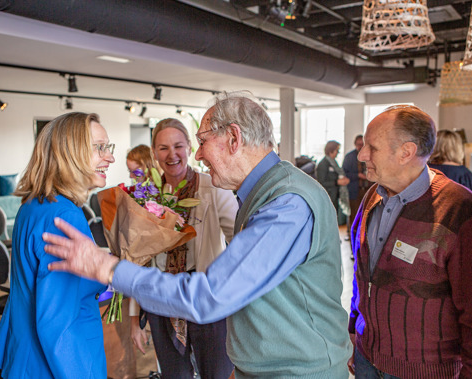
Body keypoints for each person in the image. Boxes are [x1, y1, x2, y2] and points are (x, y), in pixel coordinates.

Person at [43, 92, 352, 378]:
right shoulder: (262, 192)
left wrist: (108, 268)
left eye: (202, 141)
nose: (199, 154)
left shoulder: (286, 204)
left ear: (233, 137)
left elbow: (212, 294)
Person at [0, 112, 116, 378]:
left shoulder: (33, 206)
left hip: (25, 358)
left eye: (108, 147)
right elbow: (58, 324)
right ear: (70, 153)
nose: (110, 157)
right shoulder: (65, 216)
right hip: (54, 366)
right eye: (99, 148)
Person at [348, 105, 472, 378]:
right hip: (366, 358)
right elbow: (362, 274)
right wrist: (354, 331)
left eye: (373, 147)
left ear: (406, 152)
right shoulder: (372, 196)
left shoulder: (459, 209)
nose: (361, 155)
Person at [129, 118, 237, 378]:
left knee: (217, 373)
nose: (172, 154)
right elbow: (136, 258)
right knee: (174, 374)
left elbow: (239, 239)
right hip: (161, 297)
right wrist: (134, 320)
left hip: (204, 295)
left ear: (190, 147)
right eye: (163, 148)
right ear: (154, 152)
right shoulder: (145, 193)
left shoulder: (212, 186)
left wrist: (230, 290)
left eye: (178, 146)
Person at [342, 135, 371, 235]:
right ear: (355, 144)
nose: (360, 146)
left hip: (367, 190)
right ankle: (352, 235)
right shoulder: (349, 157)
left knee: (366, 215)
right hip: (354, 191)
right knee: (354, 215)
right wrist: (358, 175)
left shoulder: (369, 156)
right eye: (359, 144)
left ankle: (363, 236)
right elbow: (345, 173)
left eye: (362, 144)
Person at [316, 140, 350, 217]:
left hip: (335, 197)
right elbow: (321, 182)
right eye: (337, 150)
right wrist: (337, 182)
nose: (338, 153)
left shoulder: (334, 162)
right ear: (331, 150)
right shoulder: (323, 164)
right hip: (327, 197)